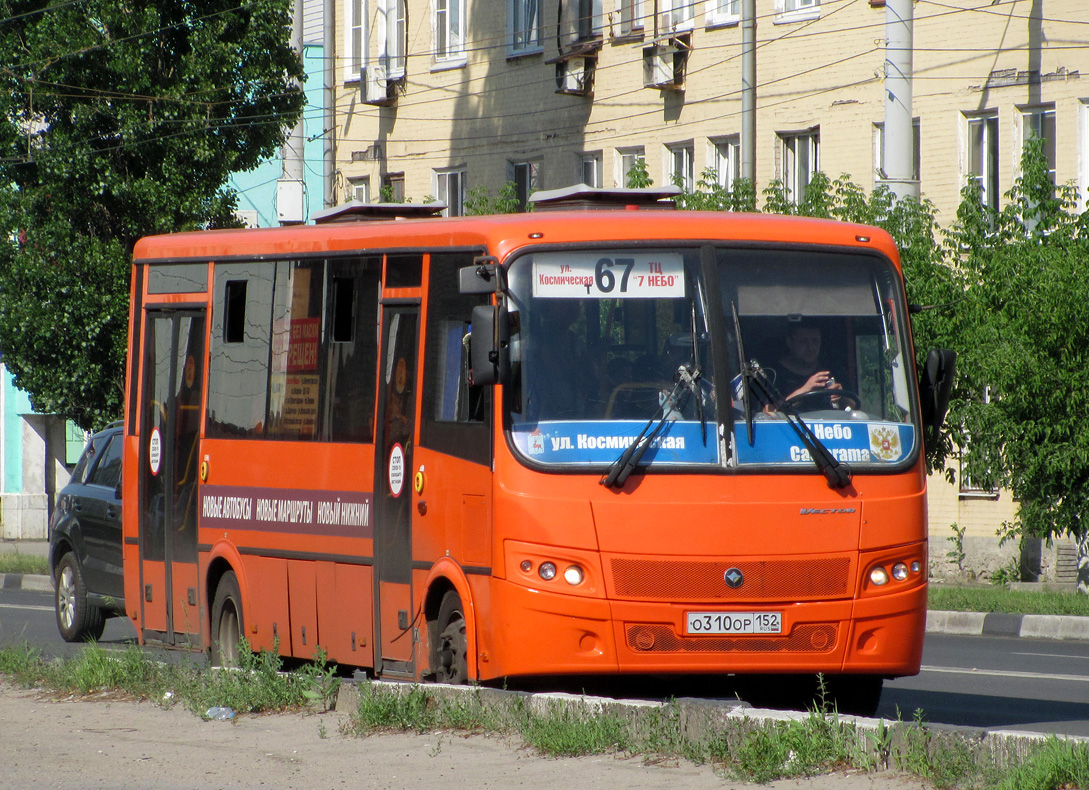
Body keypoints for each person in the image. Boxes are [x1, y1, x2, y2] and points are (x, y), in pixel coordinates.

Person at [774, 322, 844, 405]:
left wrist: (841, 396)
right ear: (790, 342)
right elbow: (770, 413)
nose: (810, 348)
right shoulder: (774, 374)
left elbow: (854, 405)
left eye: (815, 341)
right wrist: (805, 390)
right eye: (803, 342)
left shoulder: (832, 369)